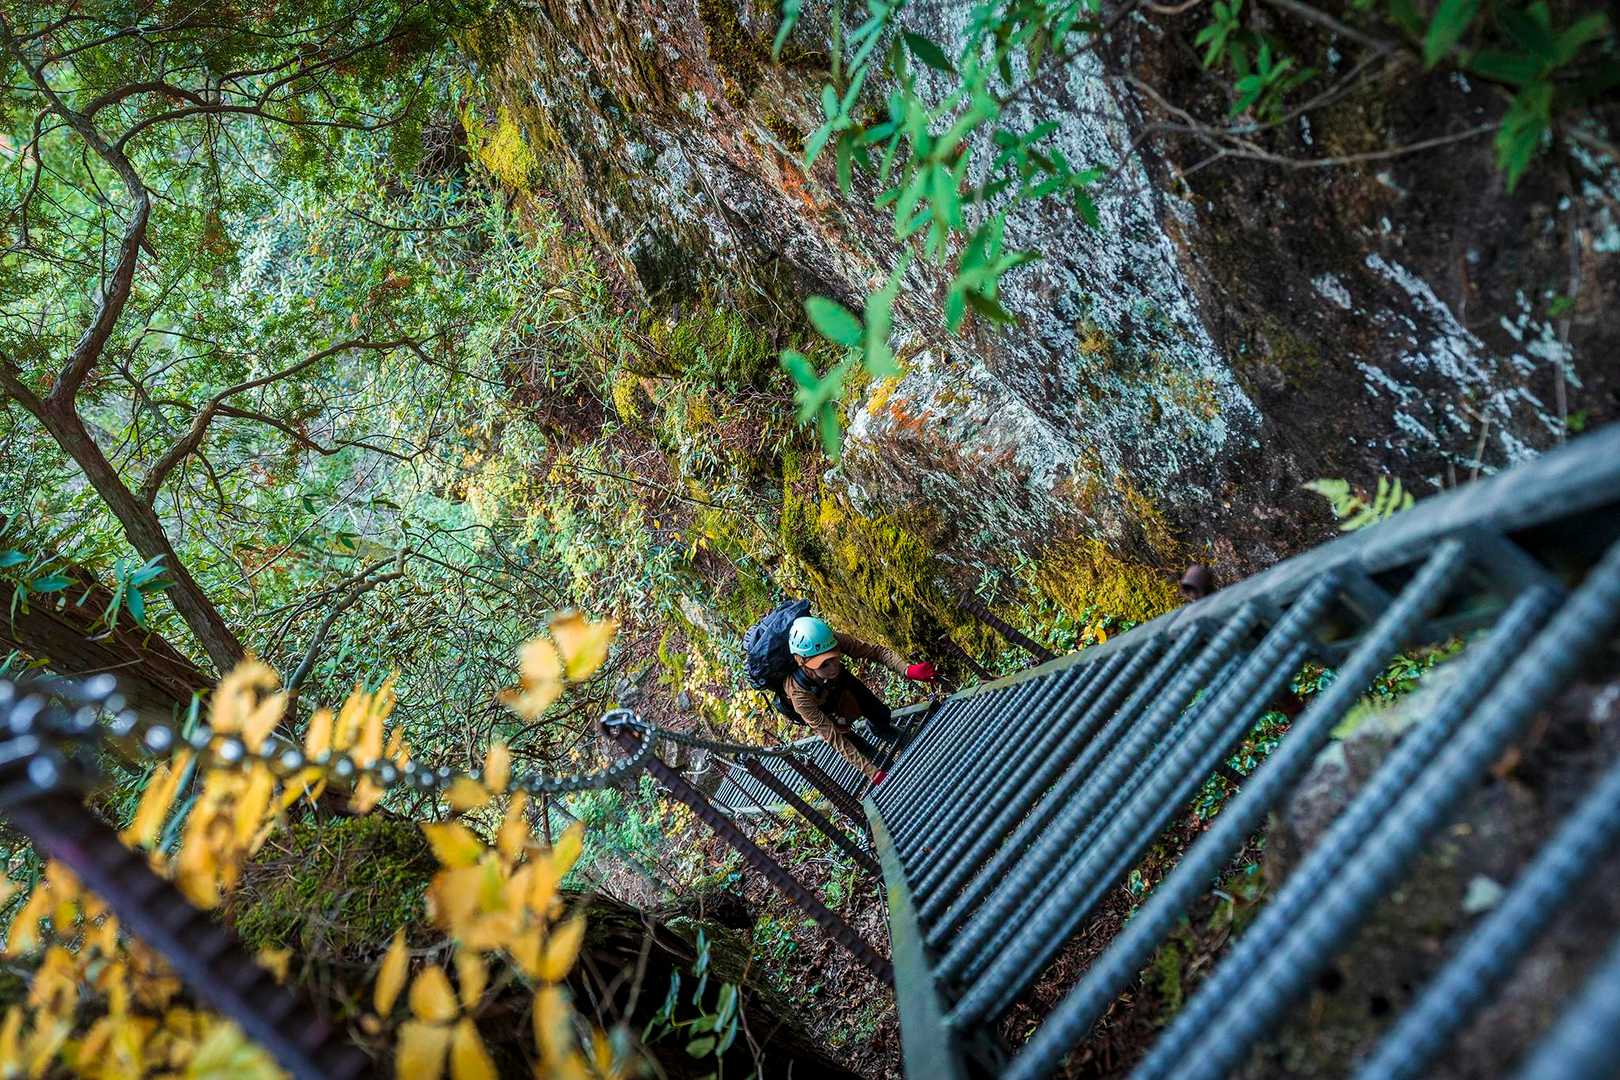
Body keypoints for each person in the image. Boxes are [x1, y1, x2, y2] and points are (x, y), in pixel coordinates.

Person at [784, 616, 936, 785]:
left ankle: (881, 729)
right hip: (820, 705)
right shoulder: (799, 695)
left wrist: (907, 670)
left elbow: (876, 651)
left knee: (879, 713)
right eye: (824, 664)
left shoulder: (831, 641)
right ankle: (888, 770)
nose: (833, 666)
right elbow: (833, 737)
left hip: (841, 684)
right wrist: (872, 773)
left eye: (834, 657)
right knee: (851, 740)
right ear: (803, 663)